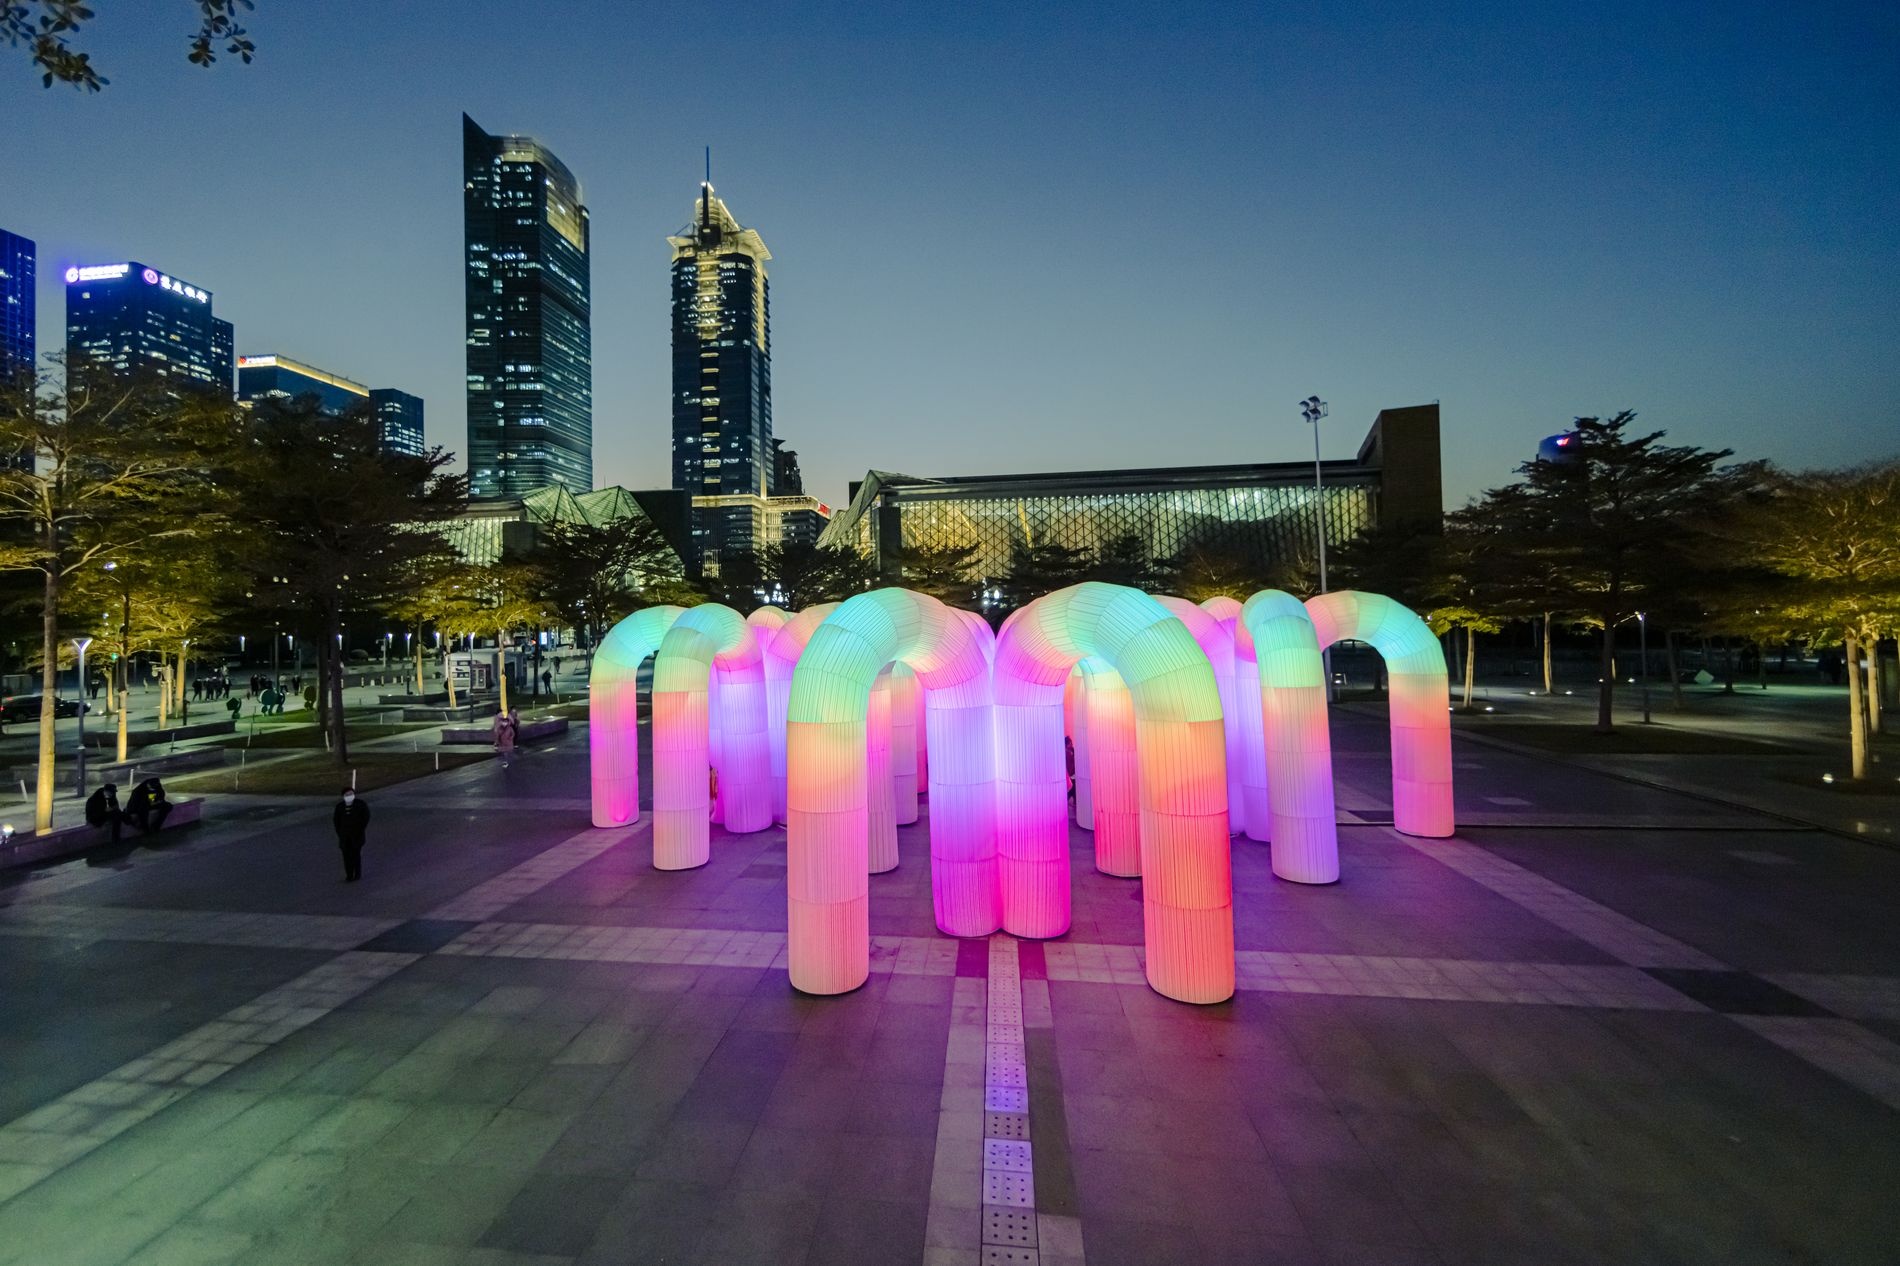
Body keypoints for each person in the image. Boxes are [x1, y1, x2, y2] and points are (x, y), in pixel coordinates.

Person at [333, 787, 369, 881]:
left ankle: (357, 874)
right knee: (346, 856)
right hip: (345, 837)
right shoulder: (340, 807)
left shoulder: (360, 804)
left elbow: (365, 817)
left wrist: (360, 828)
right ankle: (349, 874)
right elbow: (336, 821)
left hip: (357, 835)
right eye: (347, 794)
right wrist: (340, 832)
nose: (349, 796)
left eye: (351, 794)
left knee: (355, 854)